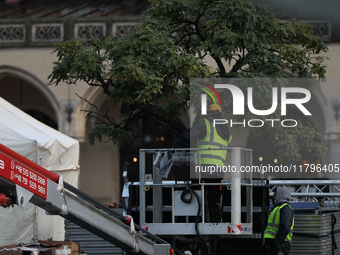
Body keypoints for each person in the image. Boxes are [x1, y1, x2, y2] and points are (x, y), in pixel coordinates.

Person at [172, 103, 232, 223]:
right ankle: (216, 221)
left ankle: (197, 219)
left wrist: (173, 148)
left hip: (204, 167)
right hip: (218, 170)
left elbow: (187, 136)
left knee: (196, 191)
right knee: (214, 196)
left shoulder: (206, 124)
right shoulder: (226, 132)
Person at [263, 187, 295, 255]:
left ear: (281, 195)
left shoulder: (285, 209)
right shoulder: (277, 208)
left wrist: (275, 247)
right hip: (274, 245)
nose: (273, 196)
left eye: (275, 194)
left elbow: (285, 228)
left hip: (280, 246)